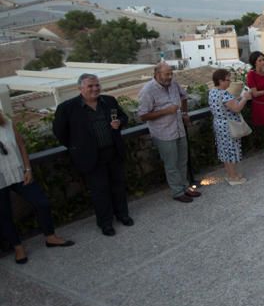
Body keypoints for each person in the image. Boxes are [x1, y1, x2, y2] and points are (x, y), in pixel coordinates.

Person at [53, 73, 132, 236]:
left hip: (113, 152)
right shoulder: (67, 108)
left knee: (118, 186)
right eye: (90, 86)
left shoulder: (109, 101)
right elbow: (60, 133)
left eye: (97, 85)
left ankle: (122, 215)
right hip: (91, 157)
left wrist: (120, 123)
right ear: (80, 88)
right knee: (99, 191)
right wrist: (77, 147)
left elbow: (124, 117)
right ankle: (105, 223)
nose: (95, 88)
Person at [1, 111, 74, 263]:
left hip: (18, 172)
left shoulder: (6, 122)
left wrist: (28, 169)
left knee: (42, 203)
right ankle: (18, 248)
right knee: (4, 215)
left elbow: (21, 145)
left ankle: (50, 237)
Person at [137, 62, 199, 203]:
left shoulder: (173, 84)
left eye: (171, 73)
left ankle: (186, 187)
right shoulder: (148, 90)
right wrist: (165, 111)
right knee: (171, 164)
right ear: (157, 74)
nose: (170, 76)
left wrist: (184, 113)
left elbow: (184, 96)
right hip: (163, 133)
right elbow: (142, 115)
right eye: (167, 74)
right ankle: (177, 192)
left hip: (179, 129)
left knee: (182, 161)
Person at [208, 68, 251, 184]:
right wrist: (245, 98)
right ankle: (233, 176)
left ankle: (230, 174)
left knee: (224, 149)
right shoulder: (224, 94)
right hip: (228, 125)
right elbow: (236, 108)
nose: (230, 82)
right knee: (231, 149)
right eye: (227, 80)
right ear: (220, 81)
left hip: (218, 123)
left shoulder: (212, 92)